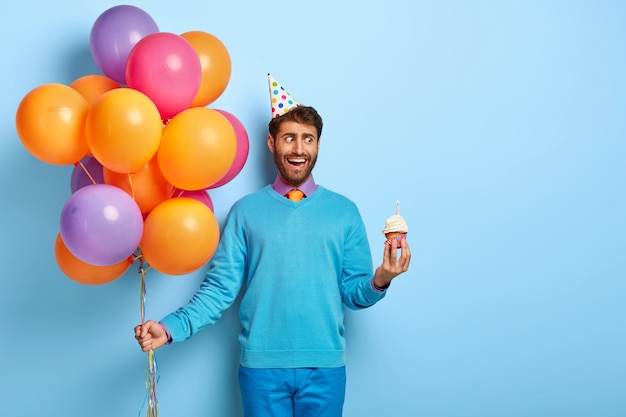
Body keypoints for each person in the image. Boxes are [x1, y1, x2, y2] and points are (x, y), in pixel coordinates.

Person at [135, 77, 411, 417]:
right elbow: (219, 290)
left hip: (325, 367)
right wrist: (171, 328)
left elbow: (355, 293)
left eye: (307, 139)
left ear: (318, 146)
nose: (298, 148)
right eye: (289, 138)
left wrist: (381, 278)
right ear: (272, 143)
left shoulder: (344, 212)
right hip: (261, 369)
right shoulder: (245, 212)